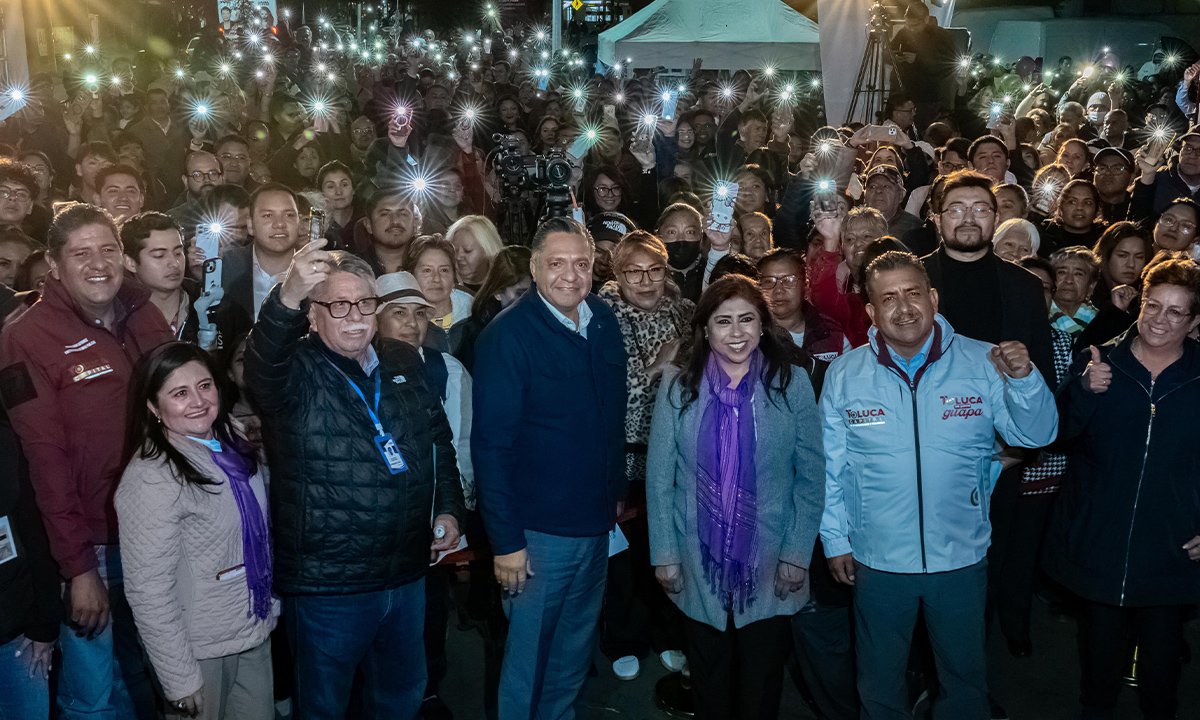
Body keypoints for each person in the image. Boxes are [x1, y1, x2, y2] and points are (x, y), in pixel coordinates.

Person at [820, 250, 1058, 719]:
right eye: (888, 298)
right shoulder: (845, 374)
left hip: (960, 556)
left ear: (932, 298)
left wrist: (1025, 381)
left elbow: (1037, 435)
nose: (903, 307)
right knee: (879, 682)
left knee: (964, 680)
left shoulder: (983, 360)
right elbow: (832, 468)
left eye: (913, 293)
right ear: (871, 311)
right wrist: (835, 539)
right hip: (878, 559)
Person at [244, 244, 465, 720]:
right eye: (338, 305)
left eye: (365, 303)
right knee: (325, 707)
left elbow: (437, 441)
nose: (355, 317)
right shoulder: (292, 371)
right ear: (313, 315)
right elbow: (263, 361)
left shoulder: (403, 359)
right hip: (330, 585)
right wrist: (288, 296)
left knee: (401, 698)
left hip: (407, 571)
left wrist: (449, 508)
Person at [0, 202, 172, 720]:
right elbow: (43, 460)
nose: (98, 263)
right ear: (54, 265)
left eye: (108, 249)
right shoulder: (25, 338)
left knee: (166, 675)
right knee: (95, 695)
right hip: (92, 541)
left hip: (164, 527)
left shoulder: (144, 312)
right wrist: (78, 569)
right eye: (80, 254)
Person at [646, 273, 825, 719]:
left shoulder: (791, 383)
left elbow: (811, 477)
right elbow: (659, 479)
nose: (737, 332)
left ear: (763, 325)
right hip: (696, 559)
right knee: (709, 684)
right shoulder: (678, 386)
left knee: (760, 687)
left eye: (747, 319)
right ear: (705, 329)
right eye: (723, 321)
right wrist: (664, 554)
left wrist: (797, 554)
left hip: (771, 560)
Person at [472, 216, 626, 719]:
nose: (570, 275)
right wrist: (506, 543)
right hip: (536, 535)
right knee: (528, 661)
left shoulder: (602, 319)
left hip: (595, 522)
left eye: (581, 264)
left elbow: (611, 415)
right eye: (556, 263)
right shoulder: (507, 336)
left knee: (572, 650)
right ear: (534, 268)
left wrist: (614, 494)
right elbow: (491, 447)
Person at [1044, 258, 1200, 720]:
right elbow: (1057, 435)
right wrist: (1083, 392)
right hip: (1101, 539)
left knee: (1161, 673)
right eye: (1154, 305)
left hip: (1172, 547)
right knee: (1099, 669)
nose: (1160, 319)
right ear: (1140, 303)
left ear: (1193, 322)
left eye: (1176, 311)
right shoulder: (1098, 360)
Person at [116, 342, 275, 719]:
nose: (198, 401)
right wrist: (179, 678)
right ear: (154, 407)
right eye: (180, 393)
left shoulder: (232, 440)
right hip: (197, 650)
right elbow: (148, 590)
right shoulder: (151, 478)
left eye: (204, 386)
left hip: (251, 628)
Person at [596, 230, 692, 680]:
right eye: (634, 272)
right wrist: (659, 368)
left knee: (669, 545)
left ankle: (668, 631)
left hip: (676, 451)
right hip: (624, 455)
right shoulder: (602, 317)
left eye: (654, 270)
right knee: (623, 556)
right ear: (617, 274)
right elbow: (612, 395)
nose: (646, 280)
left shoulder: (685, 312)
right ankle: (624, 638)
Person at [809, 206, 888, 349]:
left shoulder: (905, 278)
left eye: (866, 236)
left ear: (884, 239)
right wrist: (830, 240)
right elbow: (824, 300)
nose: (858, 243)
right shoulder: (851, 301)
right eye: (850, 239)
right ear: (842, 248)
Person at [758, 248, 846, 362]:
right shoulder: (752, 334)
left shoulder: (831, 332)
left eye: (789, 280)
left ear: (806, 284)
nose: (778, 290)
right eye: (768, 281)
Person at [404, 234, 473, 358]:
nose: (436, 279)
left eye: (444, 270)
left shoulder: (476, 314)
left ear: (454, 276)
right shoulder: (404, 323)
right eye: (427, 270)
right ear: (411, 275)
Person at [1039, 179, 1106, 257]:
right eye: (1072, 202)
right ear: (1060, 206)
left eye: (1087, 203)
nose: (1079, 207)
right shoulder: (1042, 234)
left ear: (1097, 209)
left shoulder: (1107, 240)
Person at [1048, 246, 1101, 337]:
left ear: (1091, 285)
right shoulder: (1037, 316)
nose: (1069, 280)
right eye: (1062, 272)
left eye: (1078, 274)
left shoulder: (1103, 322)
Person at [446, 215, 504, 293]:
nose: (458, 257)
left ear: (488, 251)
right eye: (455, 250)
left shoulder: (506, 287)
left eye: (467, 251)